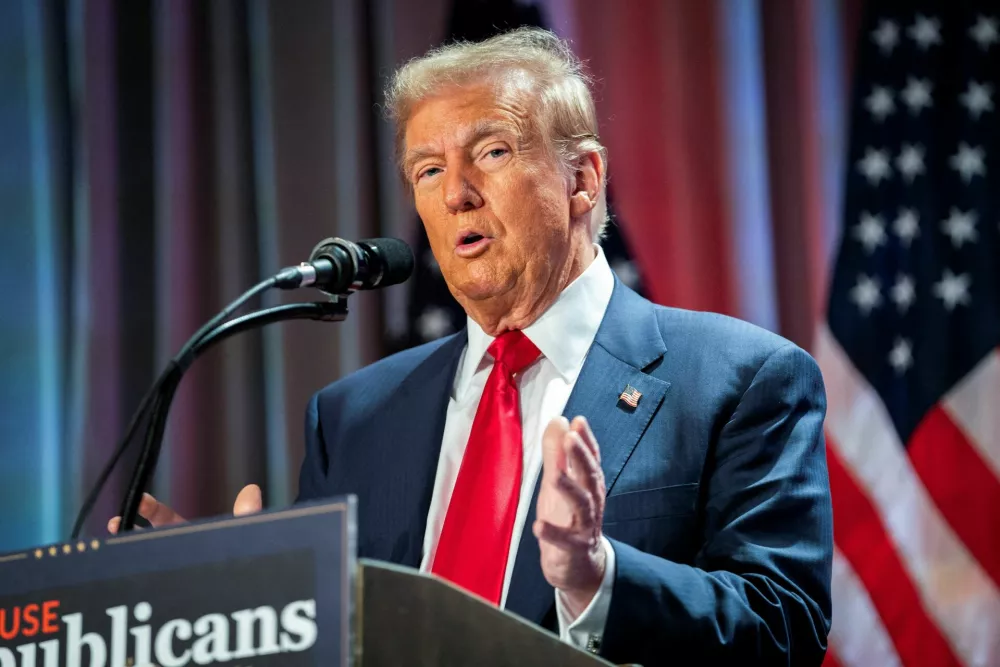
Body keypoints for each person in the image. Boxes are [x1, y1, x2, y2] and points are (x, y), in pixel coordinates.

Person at [111, 27, 833, 665]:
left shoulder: (740, 379)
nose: (456, 193)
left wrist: (594, 574)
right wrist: (243, 601)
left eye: (491, 151)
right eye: (428, 170)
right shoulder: (353, 417)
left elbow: (785, 628)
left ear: (582, 179)